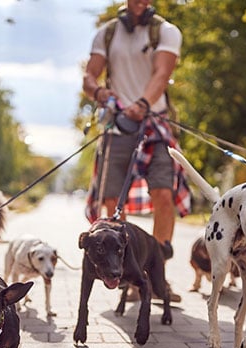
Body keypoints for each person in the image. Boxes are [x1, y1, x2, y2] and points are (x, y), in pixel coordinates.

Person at [82, 0, 190, 302]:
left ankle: (158, 278)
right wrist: (99, 91)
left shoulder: (166, 31)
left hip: (155, 123)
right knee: (112, 202)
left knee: (163, 195)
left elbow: (161, 74)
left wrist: (142, 105)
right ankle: (126, 274)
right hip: (118, 128)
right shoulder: (106, 33)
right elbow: (89, 77)